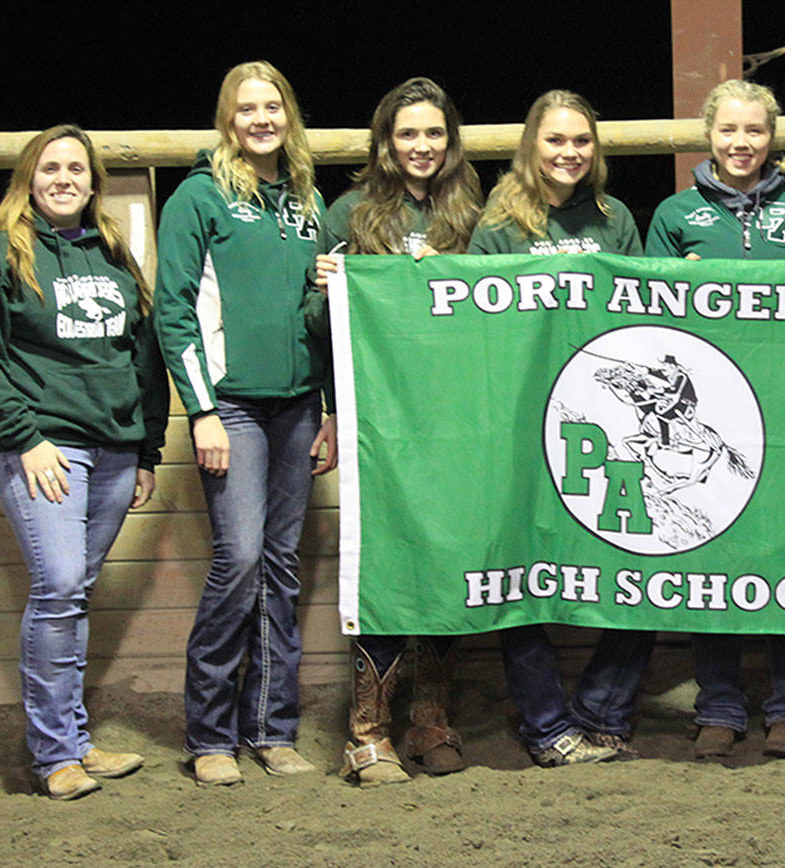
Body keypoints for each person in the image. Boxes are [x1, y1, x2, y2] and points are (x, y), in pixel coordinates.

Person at [646, 79, 785, 760]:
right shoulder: (674, 214)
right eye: (729, 130)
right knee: (713, 551)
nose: (741, 143)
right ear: (710, 135)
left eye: (755, 131)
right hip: (715, 415)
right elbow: (649, 321)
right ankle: (720, 705)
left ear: (772, 138)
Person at [156, 60, 336, 786]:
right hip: (229, 405)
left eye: (273, 107)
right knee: (238, 561)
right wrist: (201, 411)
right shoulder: (198, 198)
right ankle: (209, 734)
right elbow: (174, 311)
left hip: (296, 407)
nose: (261, 119)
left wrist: (323, 406)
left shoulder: (307, 201)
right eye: (247, 109)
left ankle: (272, 727)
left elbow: (315, 319)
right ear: (227, 120)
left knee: (281, 568)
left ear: (288, 115)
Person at [468, 89, 653, 766]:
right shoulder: (498, 224)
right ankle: (546, 725)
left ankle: (604, 706)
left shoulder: (615, 219)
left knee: (650, 553)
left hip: (604, 424)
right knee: (519, 572)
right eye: (555, 140)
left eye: (581, 141)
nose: (569, 152)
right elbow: (473, 324)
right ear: (531, 146)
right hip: (522, 418)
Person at [313, 76, 483, 786]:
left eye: (434, 133)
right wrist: (325, 291)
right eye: (407, 133)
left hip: (455, 420)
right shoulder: (349, 214)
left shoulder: (476, 217)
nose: (421, 146)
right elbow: (316, 332)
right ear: (384, 141)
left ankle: (430, 718)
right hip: (378, 424)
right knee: (382, 563)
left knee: (447, 561)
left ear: (451, 141)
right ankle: (368, 730)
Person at [0, 126, 168, 799]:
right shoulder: (7, 249)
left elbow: (142, 357)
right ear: (28, 179)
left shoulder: (113, 254)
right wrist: (25, 436)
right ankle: (55, 755)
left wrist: (147, 448)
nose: (63, 178)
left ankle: (73, 739)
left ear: (93, 182)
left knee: (71, 595)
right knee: (60, 584)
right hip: (45, 446)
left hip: (115, 449)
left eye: (75, 168)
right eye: (50, 168)